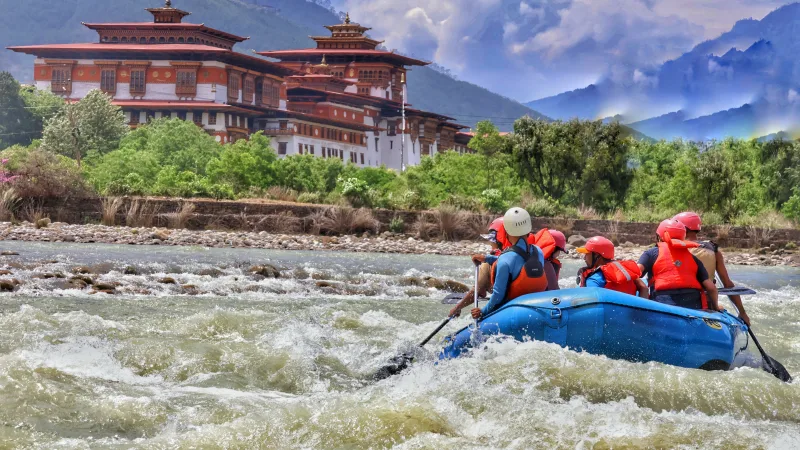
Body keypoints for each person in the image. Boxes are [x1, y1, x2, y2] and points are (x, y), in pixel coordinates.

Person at [673, 211, 750, 325]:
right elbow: (727, 284)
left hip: (676, 302)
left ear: (681, 228)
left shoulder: (673, 248)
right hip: (707, 304)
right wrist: (742, 312)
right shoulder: (713, 250)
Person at [471, 207, 549, 320]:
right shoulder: (538, 252)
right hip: (536, 309)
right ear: (528, 228)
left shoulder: (505, 259)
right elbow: (520, 262)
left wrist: (482, 312)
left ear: (506, 231)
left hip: (512, 313)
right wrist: (487, 258)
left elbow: (498, 295)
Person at [637, 219, 721, 311]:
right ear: (683, 237)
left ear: (659, 236)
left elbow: (635, 273)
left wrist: (642, 291)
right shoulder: (693, 258)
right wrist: (716, 308)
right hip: (692, 305)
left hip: (663, 302)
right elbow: (711, 288)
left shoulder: (651, 253)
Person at [448, 217, 509, 318]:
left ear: (499, 240)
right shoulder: (526, 254)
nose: (490, 244)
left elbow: (478, 291)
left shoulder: (488, 263)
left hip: (504, 309)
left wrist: (458, 308)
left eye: (491, 241)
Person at [576, 236, 649, 297]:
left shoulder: (594, 279)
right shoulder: (627, 273)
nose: (584, 258)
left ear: (597, 256)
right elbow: (644, 288)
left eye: (587, 254)